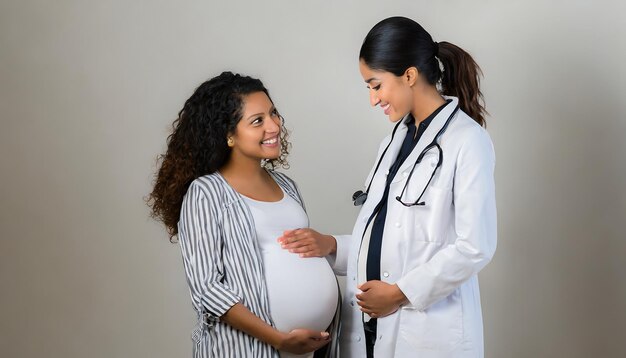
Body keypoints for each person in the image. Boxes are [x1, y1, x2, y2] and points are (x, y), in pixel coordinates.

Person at [279, 16, 497, 357]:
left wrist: (398, 293)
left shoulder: (468, 141)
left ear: (409, 75)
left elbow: (474, 246)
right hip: (370, 328)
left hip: (426, 332)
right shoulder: (394, 141)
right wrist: (331, 245)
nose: (372, 99)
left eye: (376, 84)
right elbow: (390, 236)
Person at [147, 72, 340, 358]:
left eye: (273, 113)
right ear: (228, 134)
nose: (274, 126)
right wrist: (278, 339)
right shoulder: (207, 192)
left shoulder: (287, 186)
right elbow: (207, 289)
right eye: (257, 121)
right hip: (247, 350)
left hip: (305, 352)